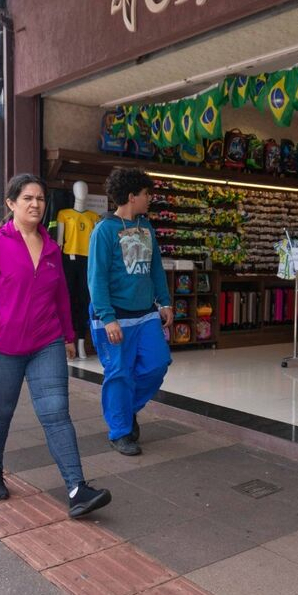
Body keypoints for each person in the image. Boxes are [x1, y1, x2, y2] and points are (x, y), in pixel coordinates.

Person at [0, 174, 111, 519]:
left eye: (41, 199)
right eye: (27, 198)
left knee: (56, 412)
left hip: (45, 343)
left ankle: (77, 489)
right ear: (11, 204)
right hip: (2, 347)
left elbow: (60, 295)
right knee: (0, 415)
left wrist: (69, 336)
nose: (35, 204)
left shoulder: (51, 248)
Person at [87, 167, 172, 457]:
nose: (150, 199)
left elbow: (156, 268)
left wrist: (165, 300)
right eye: (147, 194)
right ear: (132, 196)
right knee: (119, 374)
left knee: (157, 363)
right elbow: (95, 278)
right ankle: (121, 431)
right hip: (114, 316)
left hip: (146, 313)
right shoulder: (104, 230)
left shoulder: (146, 227)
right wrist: (107, 318)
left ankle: (124, 408)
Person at [56, 181, 99, 360]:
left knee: (84, 300)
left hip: (87, 261)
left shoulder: (94, 217)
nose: (82, 192)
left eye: (85, 188)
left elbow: (96, 244)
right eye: (78, 189)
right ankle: (69, 341)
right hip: (68, 259)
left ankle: (82, 341)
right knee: (68, 299)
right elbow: (59, 241)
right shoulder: (64, 214)